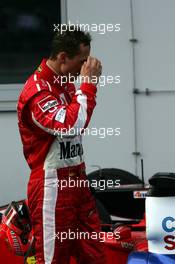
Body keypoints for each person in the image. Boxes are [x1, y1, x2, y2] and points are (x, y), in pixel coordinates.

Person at [17, 26, 106, 264]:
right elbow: (70, 126)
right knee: (53, 259)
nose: (84, 68)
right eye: (82, 61)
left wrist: (84, 90)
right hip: (52, 186)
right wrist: (88, 85)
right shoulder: (36, 92)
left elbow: (79, 120)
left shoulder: (64, 84)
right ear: (63, 57)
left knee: (94, 255)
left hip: (78, 181)